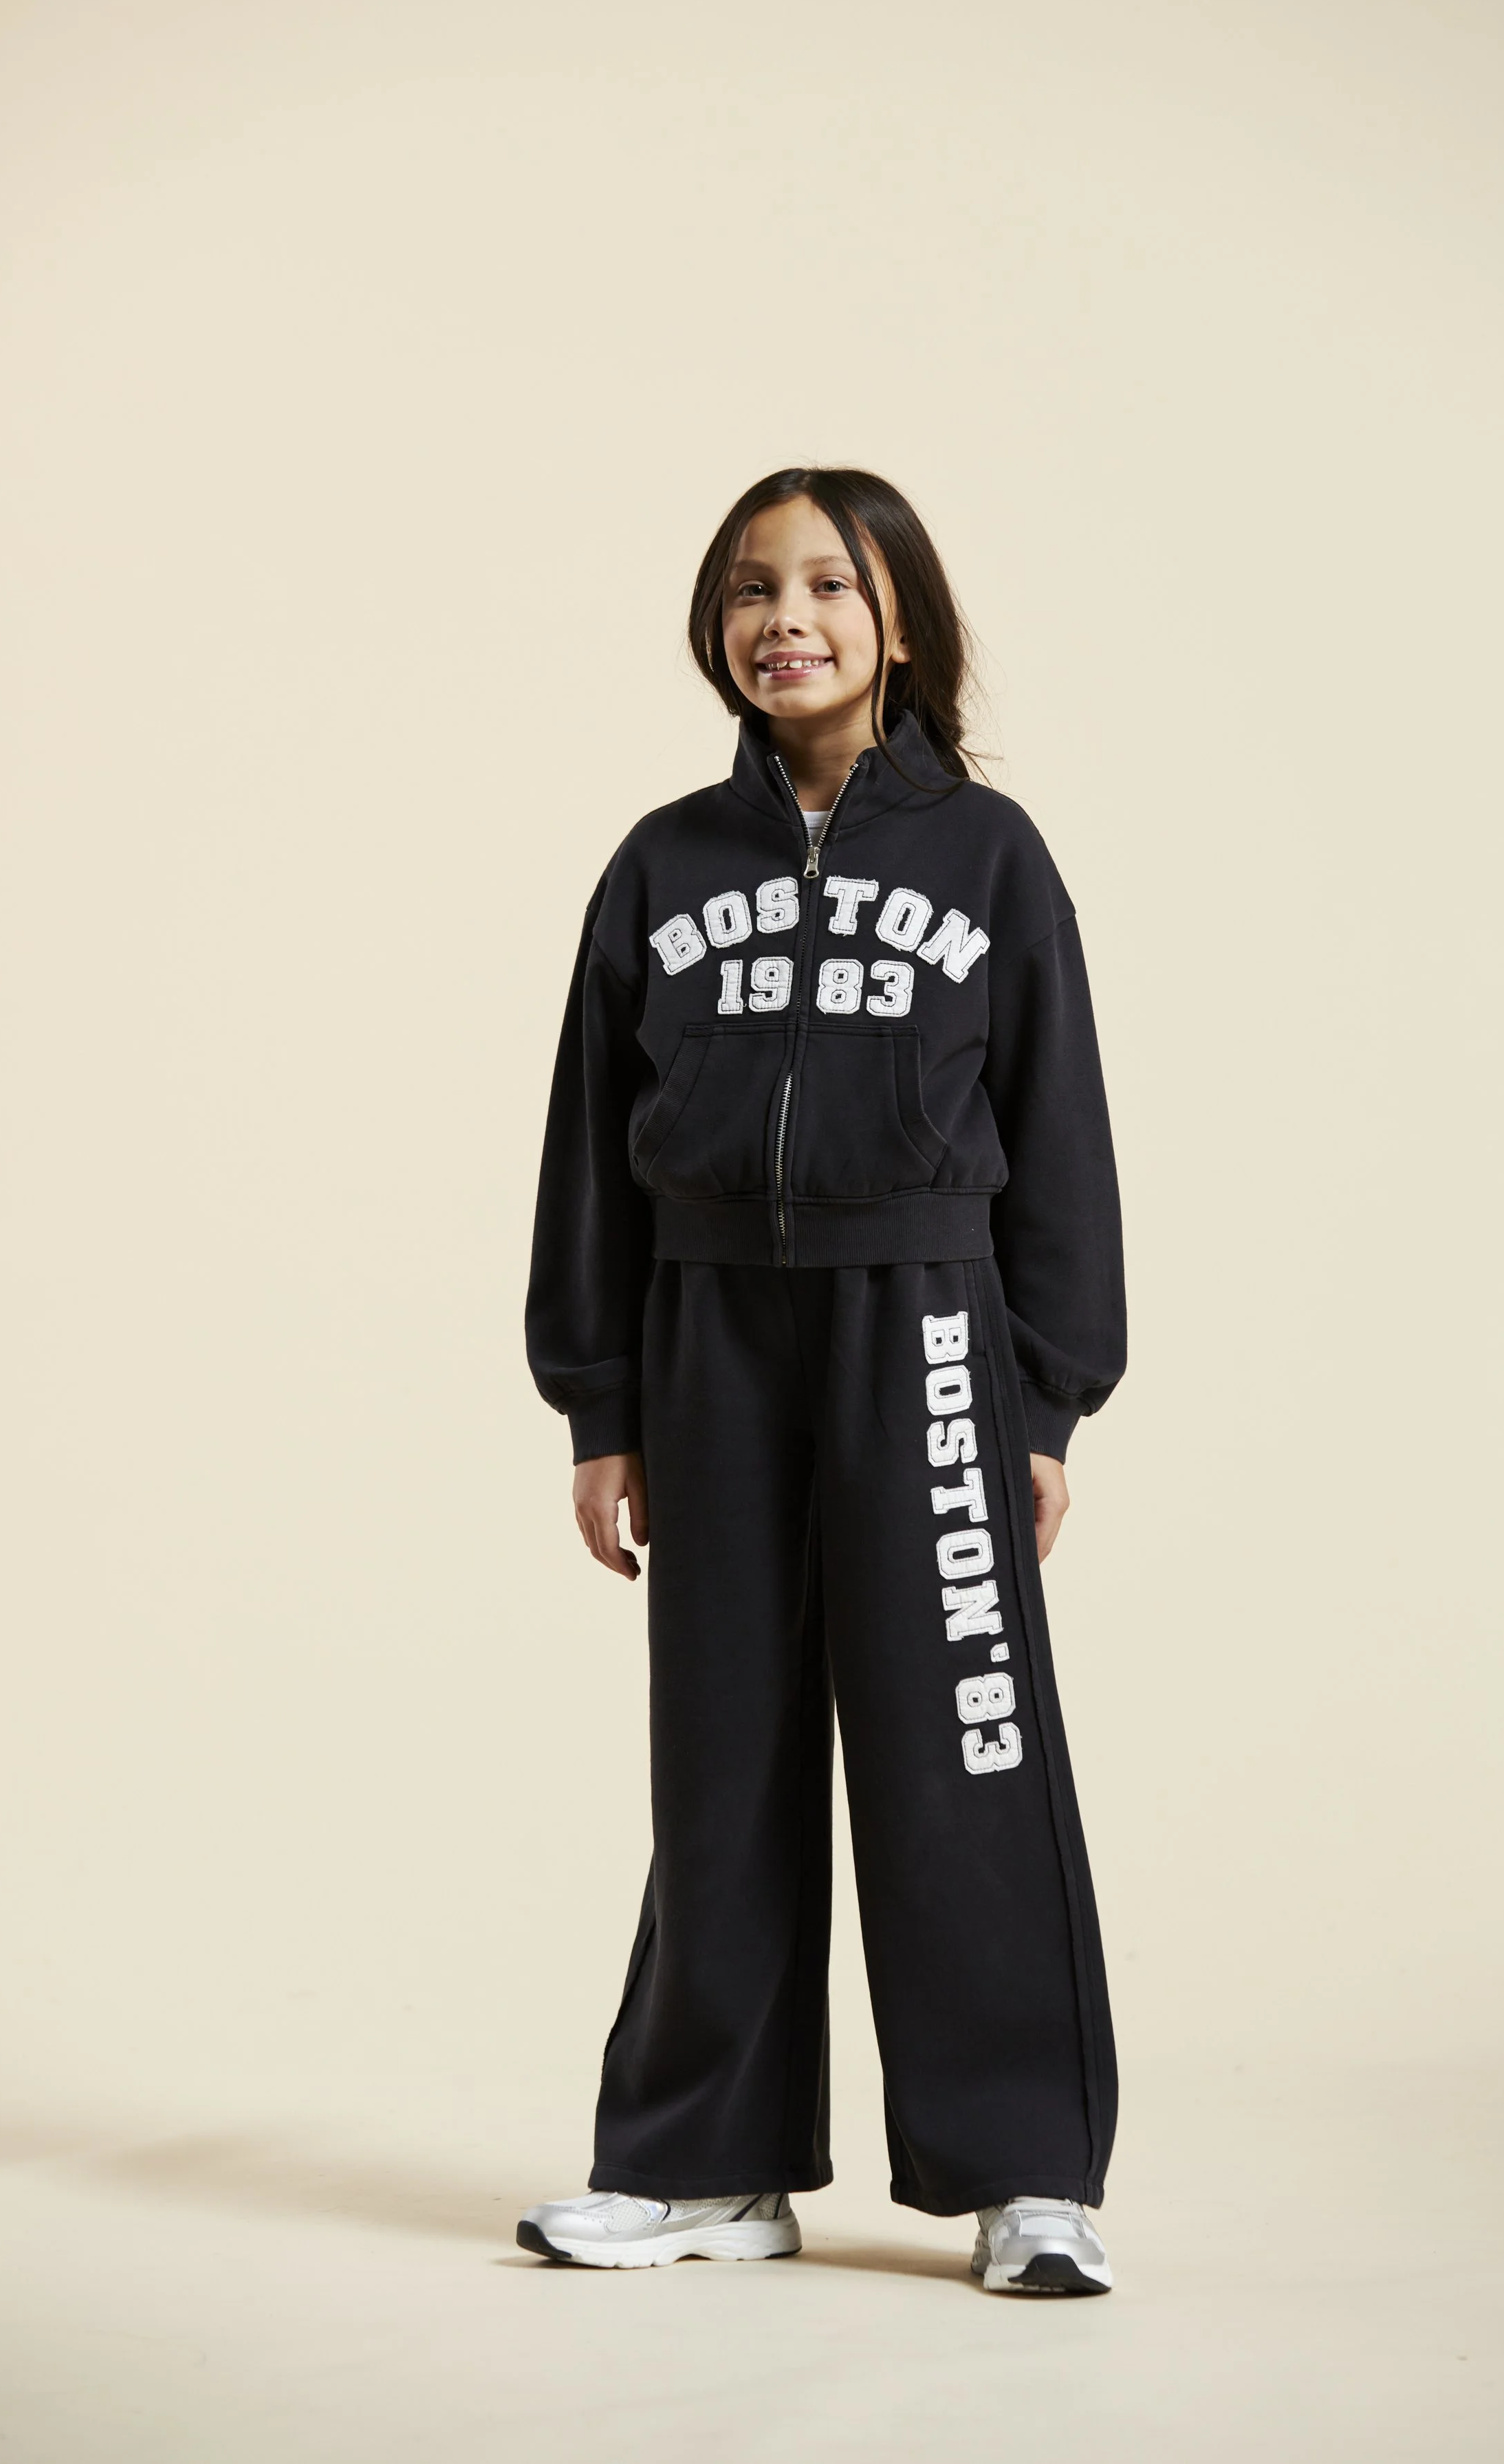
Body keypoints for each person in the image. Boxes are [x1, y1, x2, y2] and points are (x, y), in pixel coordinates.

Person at [519, 467, 1126, 2296]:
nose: (783, 614)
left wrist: (1041, 1397)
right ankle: (706, 2164)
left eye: (824, 585)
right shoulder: (659, 862)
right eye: (748, 586)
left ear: (901, 624)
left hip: (925, 1333)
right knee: (722, 1756)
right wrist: (599, 1399)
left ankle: (1024, 2168)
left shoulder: (989, 858)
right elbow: (581, 1152)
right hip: (707, 1339)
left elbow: (1061, 1135)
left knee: (961, 1755)